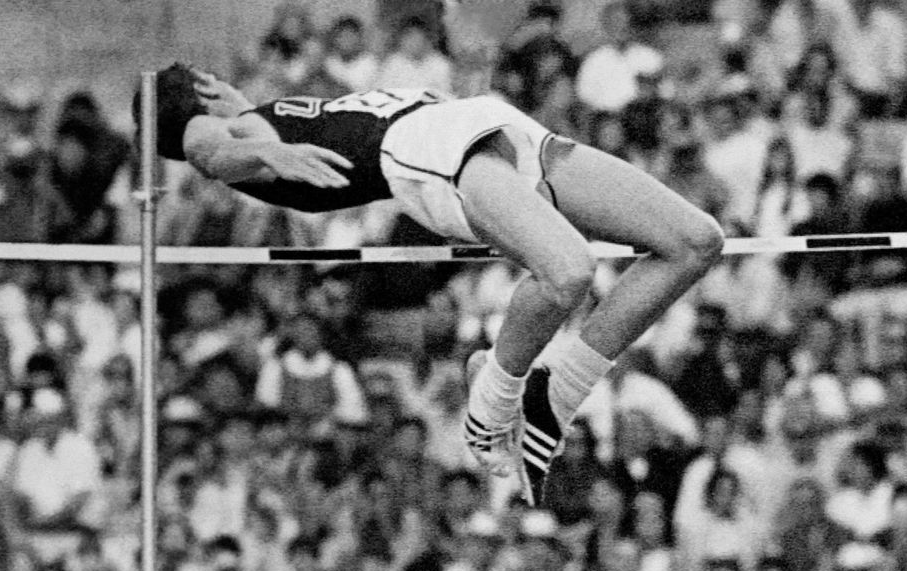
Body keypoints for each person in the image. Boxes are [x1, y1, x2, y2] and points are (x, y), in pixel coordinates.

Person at [139, 43, 723, 508]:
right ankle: (491, 406)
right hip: (428, 148)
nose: (213, 77)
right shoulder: (222, 135)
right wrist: (269, 158)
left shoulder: (252, 116)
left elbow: (247, 126)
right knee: (568, 272)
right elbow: (210, 153)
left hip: (481, 121)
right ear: (190, 100)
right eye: (201, 76)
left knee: (694, 243)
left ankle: (554, 392)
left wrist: (248, 117)